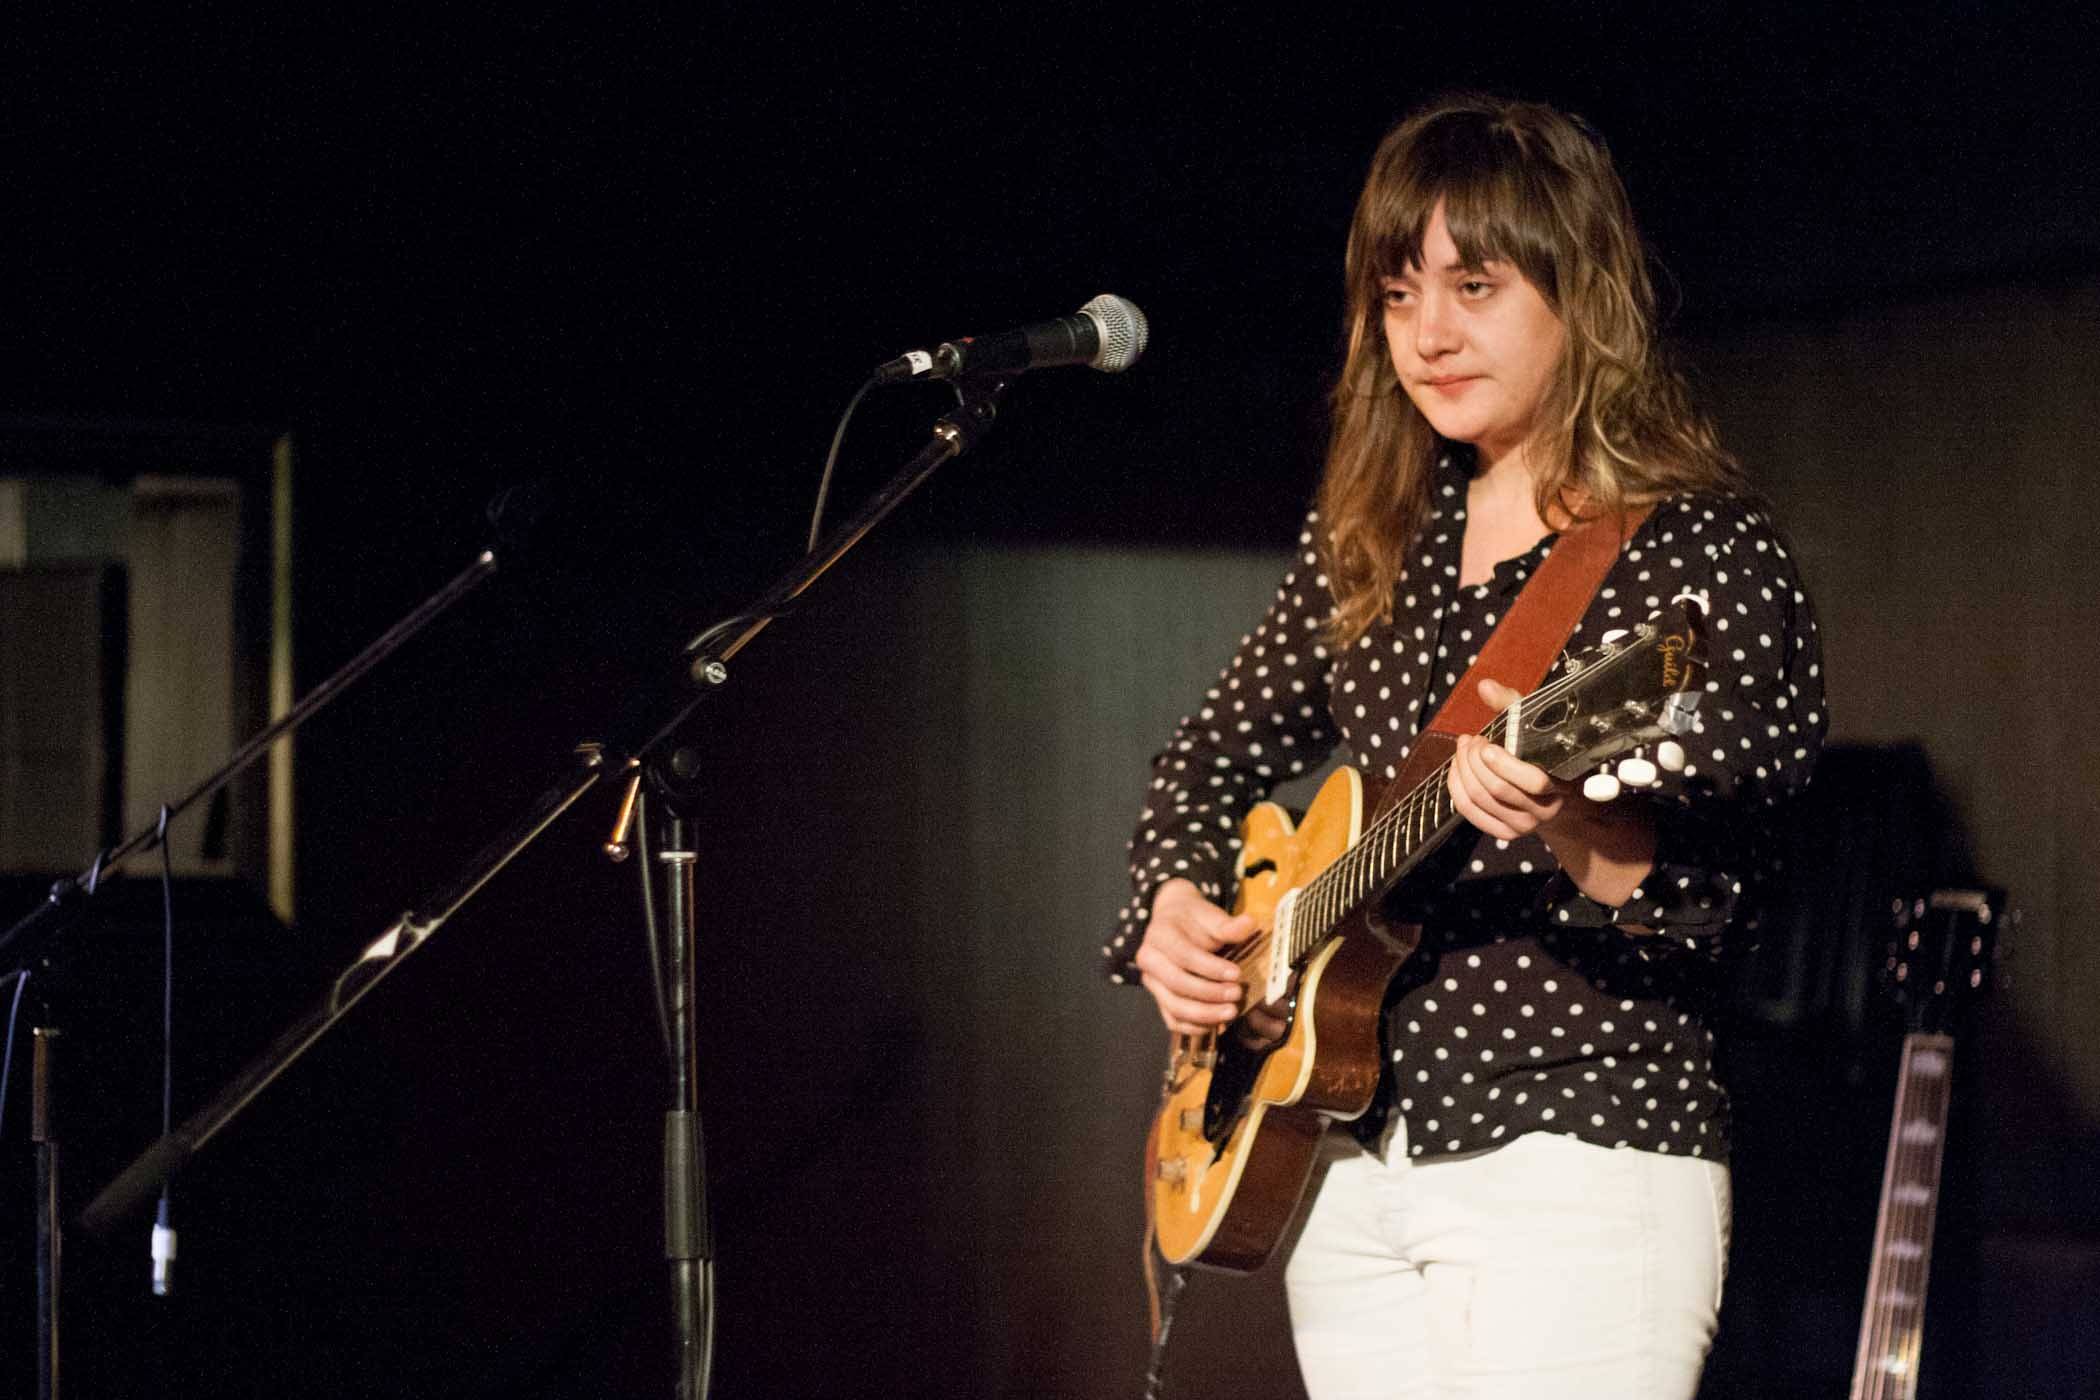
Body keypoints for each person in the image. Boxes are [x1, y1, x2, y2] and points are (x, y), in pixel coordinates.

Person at [1105, 94, 1826, 1399]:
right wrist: (1172, 906)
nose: (1427, 334)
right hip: (1349, 1165)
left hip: (1579, 1148)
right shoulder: (1376, 535)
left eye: (1474, 286)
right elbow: (1201, 759)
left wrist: (1573, 817)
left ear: (1581, 292)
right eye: (1397, 295)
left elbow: (1733, 900)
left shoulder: (1697, 552)